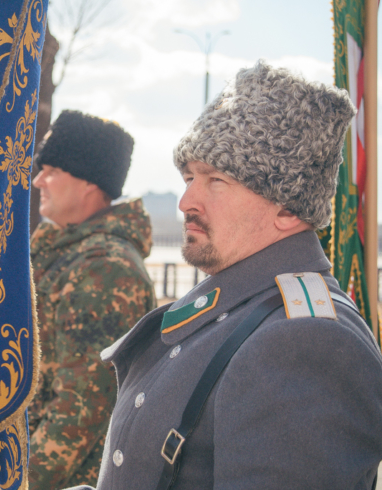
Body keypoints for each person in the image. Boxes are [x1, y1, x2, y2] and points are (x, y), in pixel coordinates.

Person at [65, 60, 382, 490]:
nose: (186, 200)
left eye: (216, 179)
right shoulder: (237, 307)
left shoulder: (304, 339)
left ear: (288, 209)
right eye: (190, 175)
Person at [27, 110, 157, 489]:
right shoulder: (66, 253)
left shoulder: (103, 269)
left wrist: (15, 482)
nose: (38, 181)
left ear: (87, 182)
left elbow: (79, 411)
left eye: (50, 170)